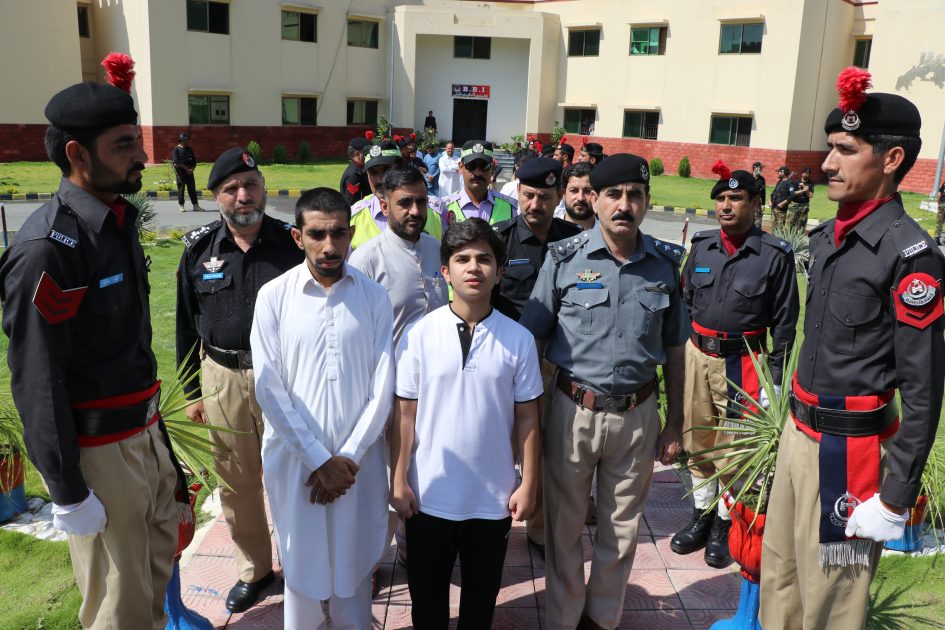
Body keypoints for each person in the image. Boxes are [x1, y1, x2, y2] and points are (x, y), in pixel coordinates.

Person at [760, 68, 945, 630]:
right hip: (798, 436)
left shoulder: (910, 257)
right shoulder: (829, 238)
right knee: (779, 583)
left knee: (830, 605)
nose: (827, 164)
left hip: (851, 458)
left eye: (845, 150)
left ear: (891, 159)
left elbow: (923, 390)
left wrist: (895, 495)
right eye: (830, 148)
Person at [0, 65, 179, 628]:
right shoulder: (47, 249)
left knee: (153, 585)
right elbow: (37, 377)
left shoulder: (114, 222)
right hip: (101, 456)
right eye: (124, 145)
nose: (142, 156)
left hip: (145, 436)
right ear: (77, 154)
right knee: (118, 607)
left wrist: (161, 447)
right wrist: (67, 490)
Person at [521, 154, 690, 629]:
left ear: (647, 202)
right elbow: (532, 342)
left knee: (621, 528)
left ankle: (602, 619)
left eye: (635, 195)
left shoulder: (665, 265)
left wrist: (675, 422)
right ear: (593, 200)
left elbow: (676, 348)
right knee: (563, 526)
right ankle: (564, 617)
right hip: (571, 411)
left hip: (638, 414)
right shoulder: (563, 258)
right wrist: (528, 421)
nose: (624, 205)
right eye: (613, 194)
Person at [251, 187, 394, 630]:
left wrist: (346, 458)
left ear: (351, 233)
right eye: (317, 234)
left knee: (353, 566)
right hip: (296, 462)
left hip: (357, 464)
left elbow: (383, 385)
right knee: (302, 566)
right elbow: (268, 387)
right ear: (298, 237)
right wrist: (318, 459)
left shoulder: (373, 297)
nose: (329, 246)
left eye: (338, 234)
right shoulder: (274, 296)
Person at [390, 218, 543, 629]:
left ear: (500, 271)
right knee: (427, 604)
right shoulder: (420, 335)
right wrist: (398, 479)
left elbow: (528, 416)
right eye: (462, 259)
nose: (473, 267)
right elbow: (405, 413)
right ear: (445, 272)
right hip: (428, 495)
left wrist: (529, 482)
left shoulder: (518, 340)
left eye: (484, 259)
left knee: (480, 603)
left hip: (492, 499)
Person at [175, 147, 303, 612]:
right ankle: (255, 570)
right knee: (236, 480)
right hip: (222, 377)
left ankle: (303, 564)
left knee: (295, 475)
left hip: (286, 378)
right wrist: (193, 393)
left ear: (263, 189)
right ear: (217, 197)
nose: (243, 195)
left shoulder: (293, 244)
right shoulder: (198, 250)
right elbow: (186, 325)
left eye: (251, 185)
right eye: (231, 189)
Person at [671, 160, 798, 568]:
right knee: (697, 440)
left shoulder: (774, 255)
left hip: (743, 363)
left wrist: (774, 382)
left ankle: (725, 524)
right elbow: (685, 302)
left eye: (736, 198)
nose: (726, 205)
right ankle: (701, 515)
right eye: (721, 198)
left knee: (735, 449)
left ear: (756, 203)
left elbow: (786, 325)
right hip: (697, 356)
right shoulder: (702, 246)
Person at [350, 140, 442, 249]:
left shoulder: (436, 212)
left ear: (401, 167)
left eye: (386, 170)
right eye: (373, 172)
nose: (380, 180)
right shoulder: (355, 217)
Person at [440, 140, 518, 226]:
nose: (478, 173)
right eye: (471, 166)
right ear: (461, 167)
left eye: (484, 166)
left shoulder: (510, 208)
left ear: (493, 169)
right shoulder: (443, 208)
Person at [558, 161, 597, 229]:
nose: (580, 198)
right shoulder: (547, 229)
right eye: (574, 190)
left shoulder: (609, 232)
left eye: (587, 191)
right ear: (563, 194)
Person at [339, 134, 372, 207]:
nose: (369, 155)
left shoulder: (361, 169)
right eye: (366, 153)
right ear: (357, 154)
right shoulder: (354, 176)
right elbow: (352, 204)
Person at [173, 132, 202, 212]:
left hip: (189, 171)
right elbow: (177, 161)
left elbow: (194, 161)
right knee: (181, 188)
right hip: (180, 172)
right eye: (185, 139)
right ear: (181, 140)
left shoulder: (189, 149)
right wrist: (186, 169)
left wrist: (192, 169)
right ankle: (181, 205)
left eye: (187, 139)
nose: (187, 141)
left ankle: (196, 206)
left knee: (192, 189)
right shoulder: (176, 149)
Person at [787, 167, 814, 232]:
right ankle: (789, 236)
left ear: (809, 174)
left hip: (804, 206)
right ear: (802, 173)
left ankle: (799, 237)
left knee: (802, 223)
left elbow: (811, 196)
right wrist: (803, 190)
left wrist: (806, 190)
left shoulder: (810, 183)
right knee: (790, 222)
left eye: (807, 173)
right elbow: (793, 193)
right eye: (804, 173)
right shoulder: (796, 182)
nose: (805, 174)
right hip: (795, 204)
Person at [769, 166, 794, 232]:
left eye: (779, 172)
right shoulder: (779, 182)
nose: (777, 173)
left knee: (780, 229)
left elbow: (792, 195)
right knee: (773, 227)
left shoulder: (789, 183)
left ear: (783, 173)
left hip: (781, 211)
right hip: (774, 208)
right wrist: (770, 201)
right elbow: (773, 193)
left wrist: (782, 204)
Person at [752, 161, 766, 228]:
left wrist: (763, 204)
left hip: (757, 203)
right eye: (760, 168)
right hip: (749, 202)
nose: (761, 169)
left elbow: (763, 192)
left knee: (758, 223)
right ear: (755, 168)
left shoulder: (762, 179)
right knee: (748, 221)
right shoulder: (748, 177)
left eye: (761, 168)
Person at [936, 180, 945, 246]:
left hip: (942, 204)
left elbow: (939, 193)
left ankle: (937, 239)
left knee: (939, 222)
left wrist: (939, 202)